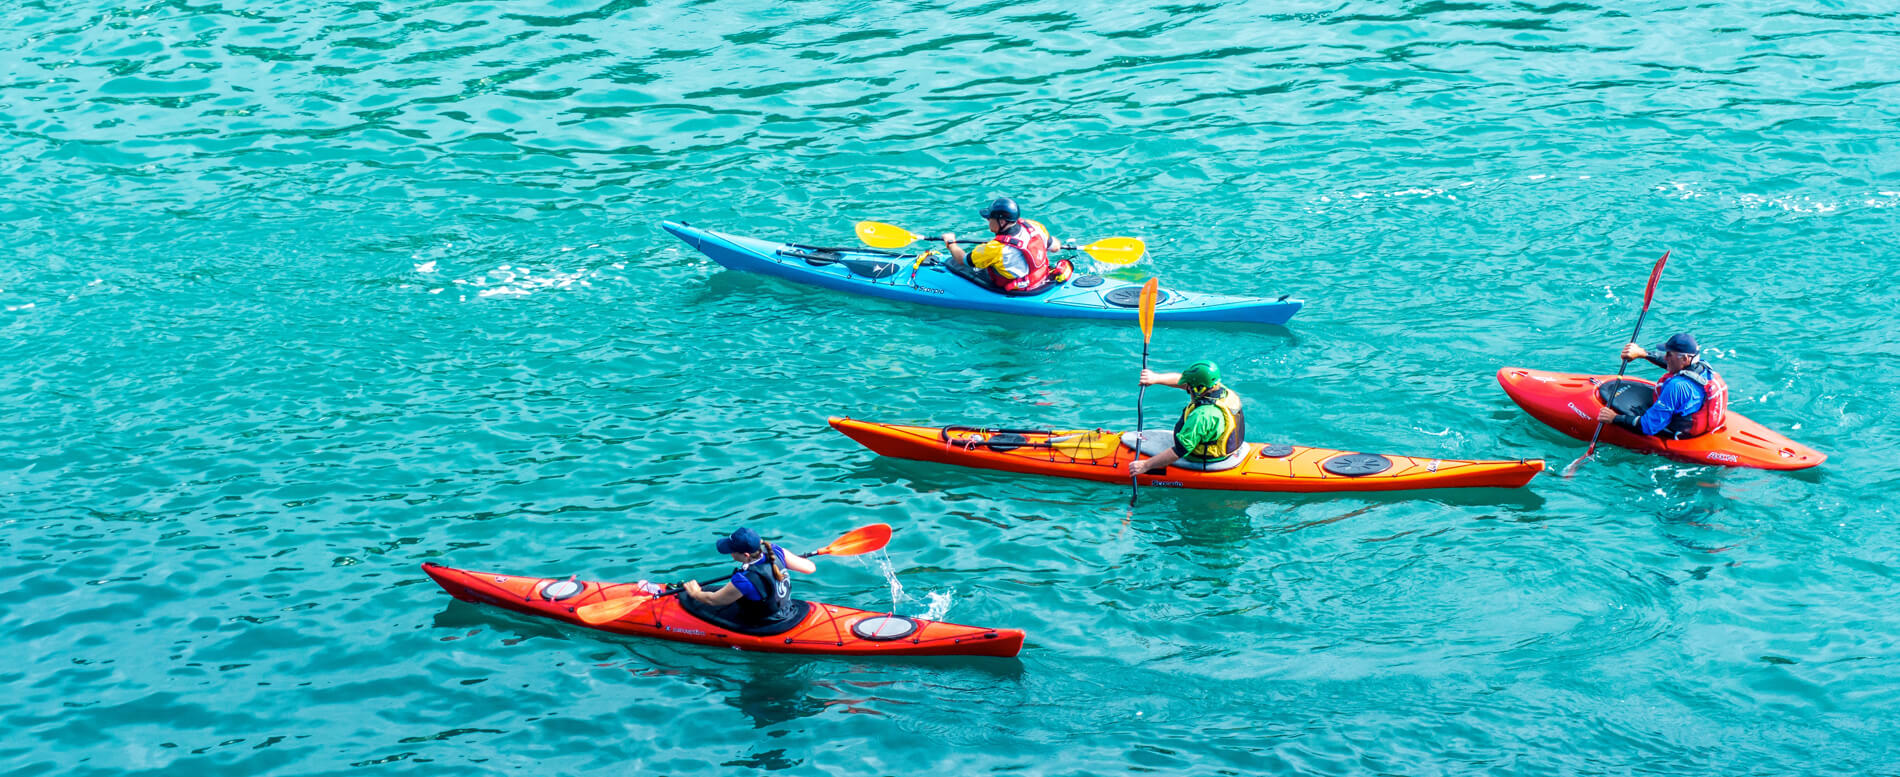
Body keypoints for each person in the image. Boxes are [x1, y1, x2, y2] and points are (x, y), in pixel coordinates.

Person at [1594, 332, 1728, 439]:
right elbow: (1675, 367)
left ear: (1685, 358)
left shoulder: (1676, 387)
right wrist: (1643, 354)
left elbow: (1649, 426)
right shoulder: (1704, 369)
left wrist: (1614, 418)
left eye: (1669, 354)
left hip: (1677, 433)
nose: (1665, 357)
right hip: (1702, 425)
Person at [680, 527, 816, 629]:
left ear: (746, 555)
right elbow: (810, 568)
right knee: (711, 589)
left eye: (732, 551)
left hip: (766, 621)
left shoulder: (745, 579)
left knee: (692, 599)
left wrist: (695, 593)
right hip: (787, 609)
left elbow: (713, 600)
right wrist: (787, 560)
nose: (731, 554)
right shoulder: (775, 550)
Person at [1128, 360, 1248, 475]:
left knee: (1180, 448)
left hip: (1204, 459)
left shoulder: (1203, 415)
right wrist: (1156, 378)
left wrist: (1145, 465)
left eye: (1189, 386)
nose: (1187, 388)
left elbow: (1180, 451)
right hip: (1229, 451)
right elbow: (1184, 382)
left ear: (1199, 388)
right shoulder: (1223, 391)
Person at [938, 197, 1072, 293]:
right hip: (1042, 279)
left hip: (1018, 288)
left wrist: (951, 243)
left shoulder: (995, 248)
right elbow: (1055, 247)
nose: (988, 221)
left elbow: (962, 260)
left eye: (990, 218)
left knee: (956, 264)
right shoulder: (1035, 226)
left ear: (1002, 222)